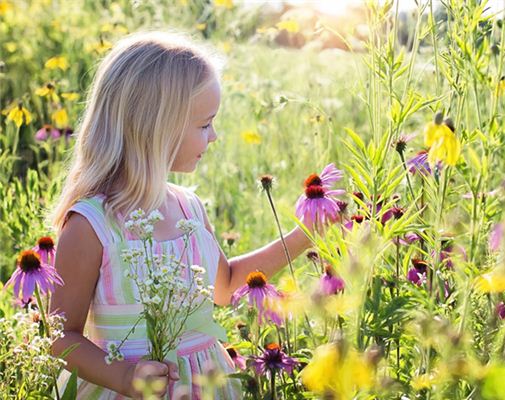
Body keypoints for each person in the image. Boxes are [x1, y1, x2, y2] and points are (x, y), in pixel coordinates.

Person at [49, 31, 314, 399]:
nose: (215, 136)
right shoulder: (92, 225)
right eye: (205, 124)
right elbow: (61, 337)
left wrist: (305, 235)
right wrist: (125, 377)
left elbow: (224, 287)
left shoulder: (189, 207)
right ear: (156, 129)